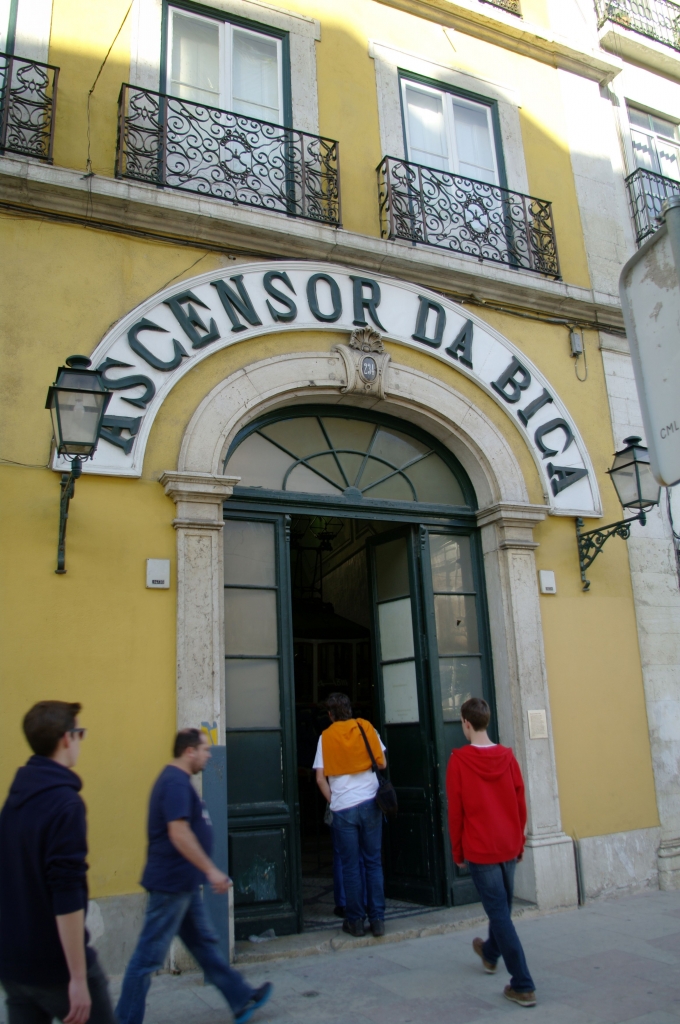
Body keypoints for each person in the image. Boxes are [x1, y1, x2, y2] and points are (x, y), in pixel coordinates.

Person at [116, 728, 272, 1024]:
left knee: (204, 947)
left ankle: (240, 999)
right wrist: (211, 870)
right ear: (189, 751)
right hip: (170, 886)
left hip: (183, 884)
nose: (208, 755)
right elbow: (179, 832)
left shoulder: (180, 781)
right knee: (146, 959)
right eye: (204, 749)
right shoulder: (174, 782)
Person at [0, 700, 116, 1024]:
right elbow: (66, 891)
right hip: (54, 966)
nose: (80, 742)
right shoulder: (65, 804)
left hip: (13, 965)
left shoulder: (15, 799)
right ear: (67, 738)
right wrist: (77, 978)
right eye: (80, 733)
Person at [446, 697, 536, 1008]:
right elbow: (520, 804)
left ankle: (522, 983)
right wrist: (520, 842)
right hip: (508, 844)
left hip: (481, 848)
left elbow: (456, 812)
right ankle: (489, 953)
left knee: (499, 914)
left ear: (466, 723)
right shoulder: (508, 757)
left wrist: (457, 851)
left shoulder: (459, 761)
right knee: (502, 911)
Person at [314, 692, 387, 938]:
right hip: (370, 803)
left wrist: (334, 800)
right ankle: (377, 920)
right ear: (350, 710)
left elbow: (319, 778)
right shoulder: (366, 727)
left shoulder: (325, 737)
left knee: (350, 866)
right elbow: (382, 763)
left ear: (330, 715)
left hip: (343, 807)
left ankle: (355, 922)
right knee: (373, 862)